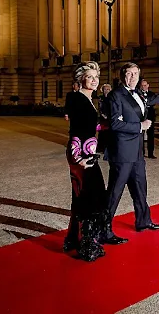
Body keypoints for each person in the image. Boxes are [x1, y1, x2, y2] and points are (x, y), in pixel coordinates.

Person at [103, 62, 159, 245]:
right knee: (114, 192)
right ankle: (103, 229)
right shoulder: (116, 95)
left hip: (137, 152)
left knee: (140, 188)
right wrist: (140, 126)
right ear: (123, 76)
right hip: (122, 153)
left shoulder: (137, 93)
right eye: (129, 74)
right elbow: (115, 124)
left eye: (136, 74)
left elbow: (147, 102)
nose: (132, 77)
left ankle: (143, 221)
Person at [64, 61, 107, 262]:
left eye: (96, 77)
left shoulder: (90, 100)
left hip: (88, 152)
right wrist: (78, 158)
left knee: (84, 197)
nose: (94, 80)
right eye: (90, 77)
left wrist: (105, 127)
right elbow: (76, 130)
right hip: (81, 155)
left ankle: (74, 239)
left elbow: (90, 127)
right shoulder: (75, 98)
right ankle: (86, 246)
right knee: (90, 197)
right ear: (81, 79)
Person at [140, 79, 157, 159]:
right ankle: (141, 153)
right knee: (141, 136)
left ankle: (151, 153)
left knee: (151, 135)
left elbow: (153, 103)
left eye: (145, 85)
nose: (144, 87)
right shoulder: (138, 94)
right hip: (142, 117)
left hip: (150, 116)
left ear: (148, 85)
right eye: (142, 85)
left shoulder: (152, 94)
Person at [97, 83, 112, 157]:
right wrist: (103, 115)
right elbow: (100, 108)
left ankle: (108, 148)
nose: (107, 91)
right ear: (102, 90)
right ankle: (101, 147)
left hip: (111, 117)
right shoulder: (101, 98)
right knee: (102, 133)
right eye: (105, 89)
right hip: (103, 118)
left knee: (109, 133)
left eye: (108, 89)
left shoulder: (112, 97)